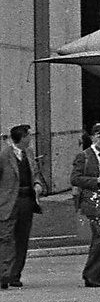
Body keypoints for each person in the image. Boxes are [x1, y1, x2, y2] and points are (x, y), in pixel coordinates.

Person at [0, 124, 44, 290]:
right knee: (6, 239)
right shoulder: (4, 155)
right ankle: (4, 274)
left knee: (22, 238)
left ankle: (15, 275)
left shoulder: (29, 154)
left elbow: (36, 173)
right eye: (29, 136)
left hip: (26, 200)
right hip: (8, 202)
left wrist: (37, 184)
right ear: (22, 138)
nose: (31, 139)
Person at [73, 124, 100, 287]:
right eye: (99, 137)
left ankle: (99, 273)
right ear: (92, 138)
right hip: (91, 201)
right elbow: (75, 178)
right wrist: (96, 181)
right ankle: (91, 274)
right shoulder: (83, 156)